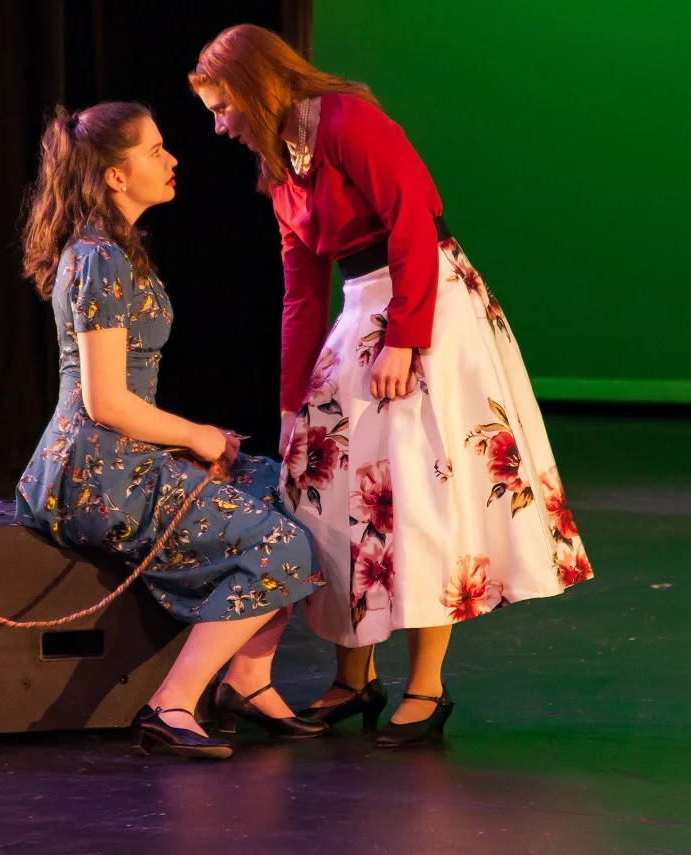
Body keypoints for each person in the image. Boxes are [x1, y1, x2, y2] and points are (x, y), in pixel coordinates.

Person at [190, 26, 594, 746]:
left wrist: (407, 337)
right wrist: (289, 402)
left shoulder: (347, 121)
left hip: (424, 301)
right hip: (362, 309)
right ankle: (354, 676)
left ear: (255, 88)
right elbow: (301, 291)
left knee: (417, 490)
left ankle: (426, 688)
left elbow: (412, 221)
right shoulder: (281, 166)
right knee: (333, 490)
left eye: (223, 108)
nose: (220, 126)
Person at [15, 101, 328, 760]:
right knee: (283, 546)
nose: (173, 159)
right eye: (155, 151)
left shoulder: (115, 247)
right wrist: (198, 437)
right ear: (114, 176)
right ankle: (172, 704)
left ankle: (247, 680)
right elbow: (106, 402)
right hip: (98, 477)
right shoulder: (99, 257)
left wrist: (195, 439)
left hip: (128, 456)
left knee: (290, 493)